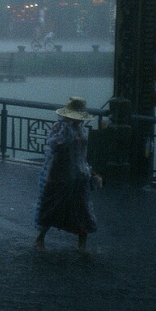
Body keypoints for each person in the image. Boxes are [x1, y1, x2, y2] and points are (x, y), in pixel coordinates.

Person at [33, 96, 101, 252]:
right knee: (52, 207)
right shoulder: (59, 127)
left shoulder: (81, 129)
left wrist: (89, 171)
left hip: (79, 174)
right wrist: (65, 134)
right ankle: (40, 238)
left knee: (82, 209)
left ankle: (82, 244)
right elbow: (52, 145)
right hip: (60, 174)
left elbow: (81, 153)